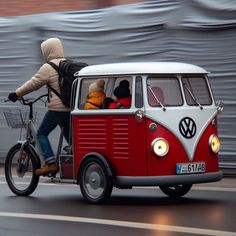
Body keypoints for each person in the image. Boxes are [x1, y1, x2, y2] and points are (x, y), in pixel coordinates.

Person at [8, 38, 70, 176]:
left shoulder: (48, 67)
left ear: (48, 51)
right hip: (71, 108)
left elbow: (34, 83)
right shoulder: (68, 64)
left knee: (41, 133)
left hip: (57, 109)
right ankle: (74, 157)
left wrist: (16, 93)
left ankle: (50, 163)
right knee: (70, 137)